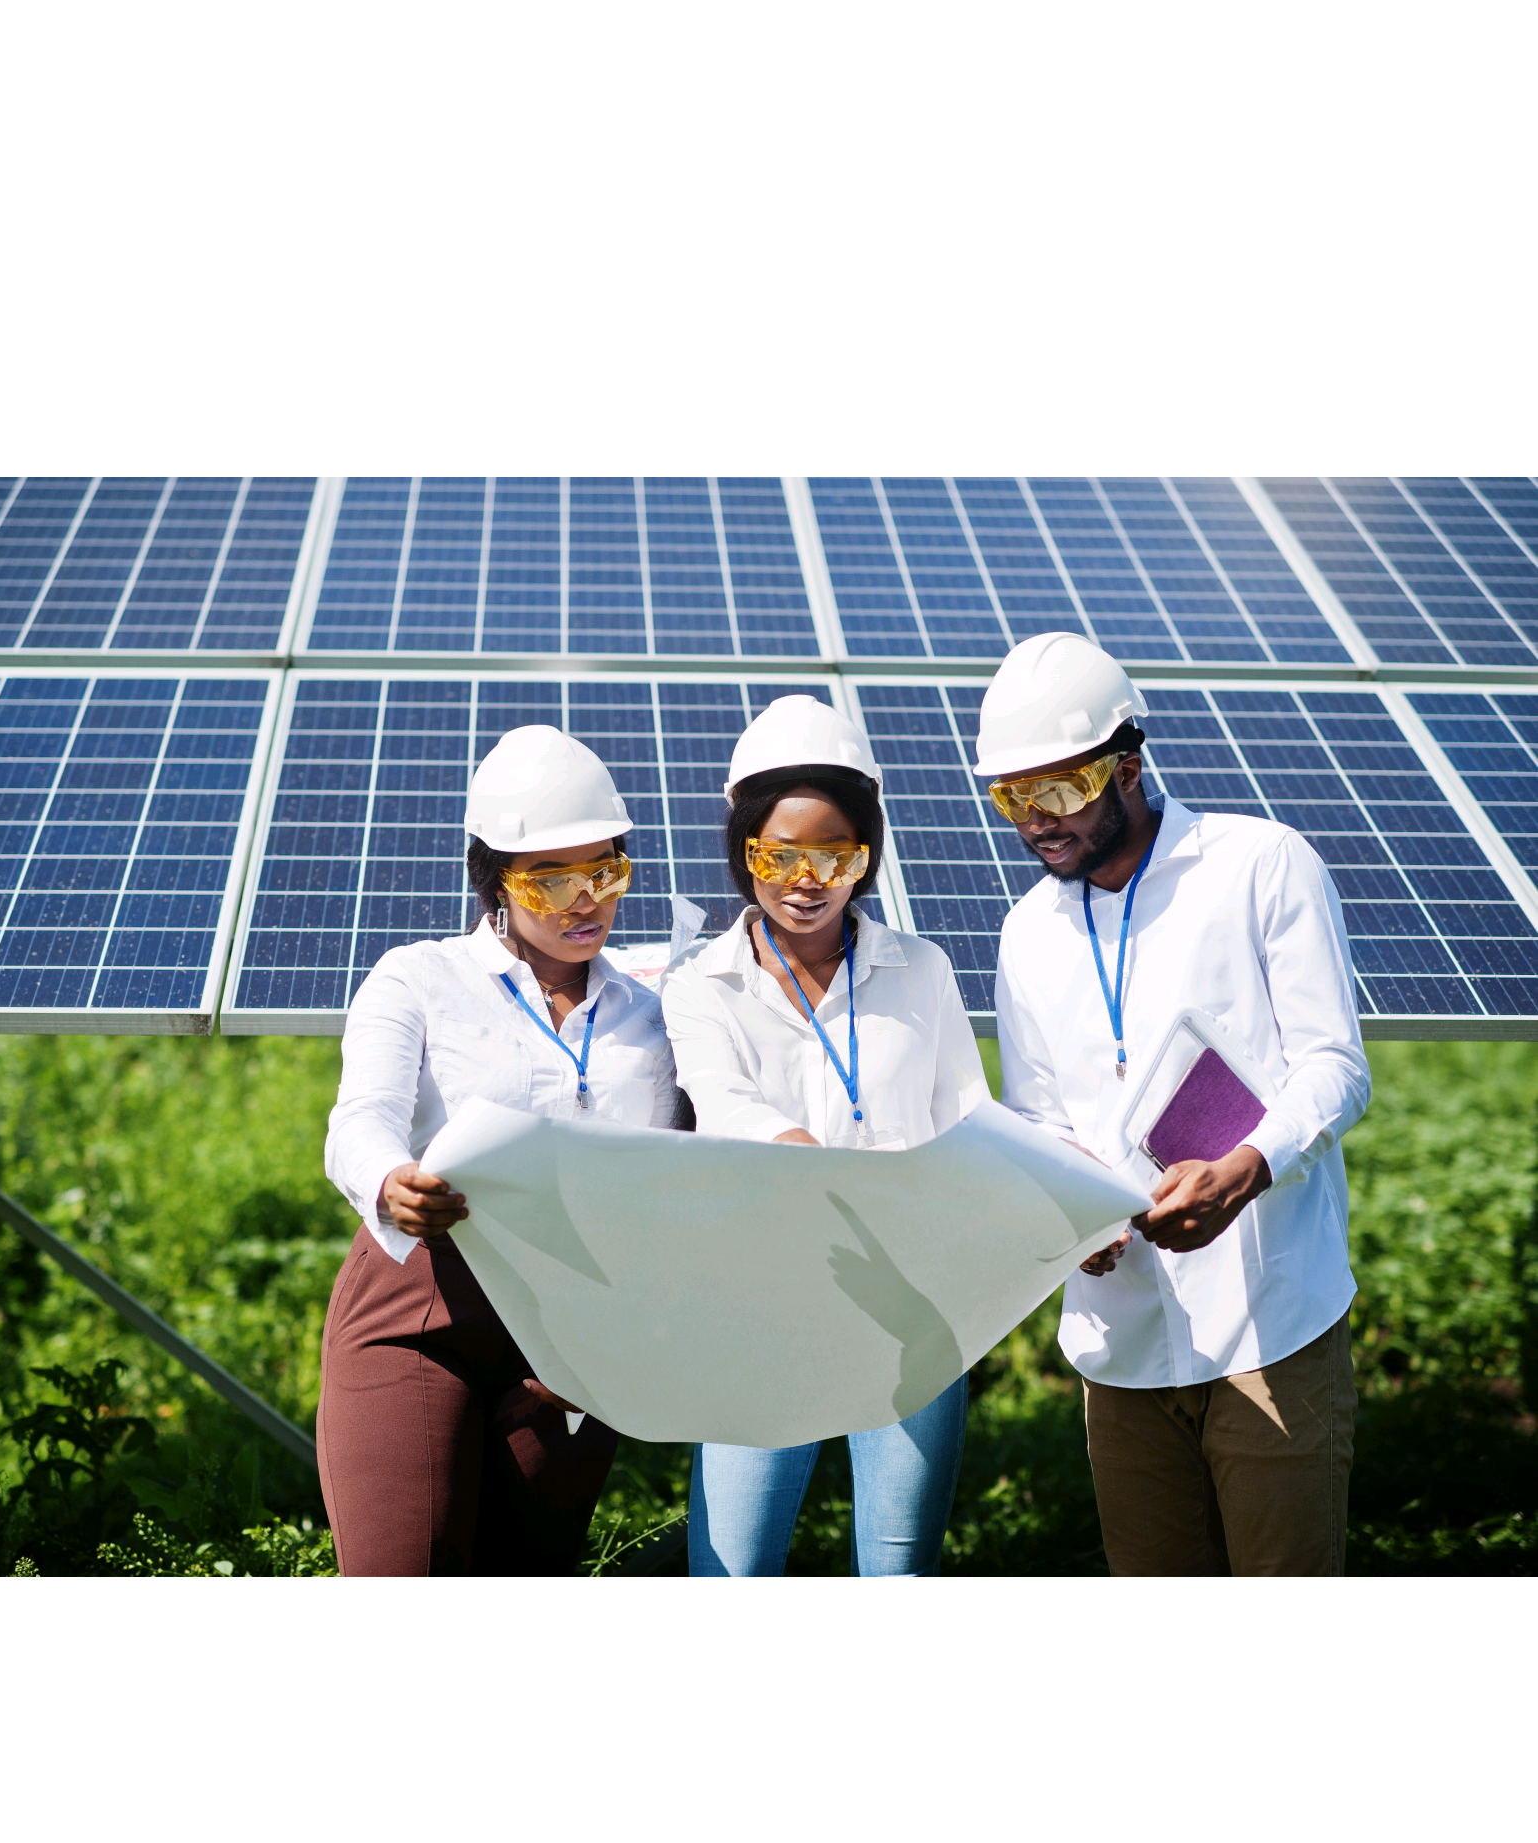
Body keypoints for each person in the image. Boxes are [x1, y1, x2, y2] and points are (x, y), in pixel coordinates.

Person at [981, 632, 1372, 1576]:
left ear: (1127, 765)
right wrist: (1068, 1208)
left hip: (1269, 1320)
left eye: (1059, 790)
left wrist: (1245, 1169)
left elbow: (1333, 1065)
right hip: (1119, 1340)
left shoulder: (1257, 864)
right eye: (1011, 797)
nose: (1037, 822)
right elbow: (1038, 1117)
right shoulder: (1026, 930)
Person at [319, 724, 682, 1574]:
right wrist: (389, 1181)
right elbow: (358, 1119)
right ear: (493, 879)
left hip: (574, 1334)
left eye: (605, 870)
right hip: (422, 1309)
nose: (583, 899)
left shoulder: (656, 1007)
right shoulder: (418, 977)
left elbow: (681, 1175)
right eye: (550, 879)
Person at [662, 695, 986, 1576]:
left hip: (911, 1312)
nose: (809, 879)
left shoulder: (920, 971)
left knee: (897, 1576)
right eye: (779, 855)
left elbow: (968, 1121)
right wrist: (800, 1153)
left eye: (836, 855)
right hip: (760, 1313)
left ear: (865, 855)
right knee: (731, 1575)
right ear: (743, 852)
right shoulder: (701, 985)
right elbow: (721, 1102)